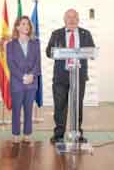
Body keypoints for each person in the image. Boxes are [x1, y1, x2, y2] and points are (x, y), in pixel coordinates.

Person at [46, 9, 95, 143]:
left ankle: (77, 133)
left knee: (77, 105)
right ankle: (59, 134)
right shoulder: (56, 34)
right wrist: (58, 52)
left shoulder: (86, 34)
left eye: (74, 17)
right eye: (69, 17)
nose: (72, 20)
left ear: (78, 19)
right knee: (60, 105)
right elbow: (48, 52)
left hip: (79, 76)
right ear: (64, 19)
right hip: (61, 76)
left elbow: (92, 51)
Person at [6, 16, 41, 143]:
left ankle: (27, 134)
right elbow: (11, 64)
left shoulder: (35, 42)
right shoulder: (10, 44)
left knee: (28, 109)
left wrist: (31, 75)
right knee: (16, 109)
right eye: (23, 24)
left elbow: (38, 62)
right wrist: (22, 77)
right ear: (17, 27)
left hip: (32, 82)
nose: (26, 26)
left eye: (28, 24)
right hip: (17, 83)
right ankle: (15, 134)